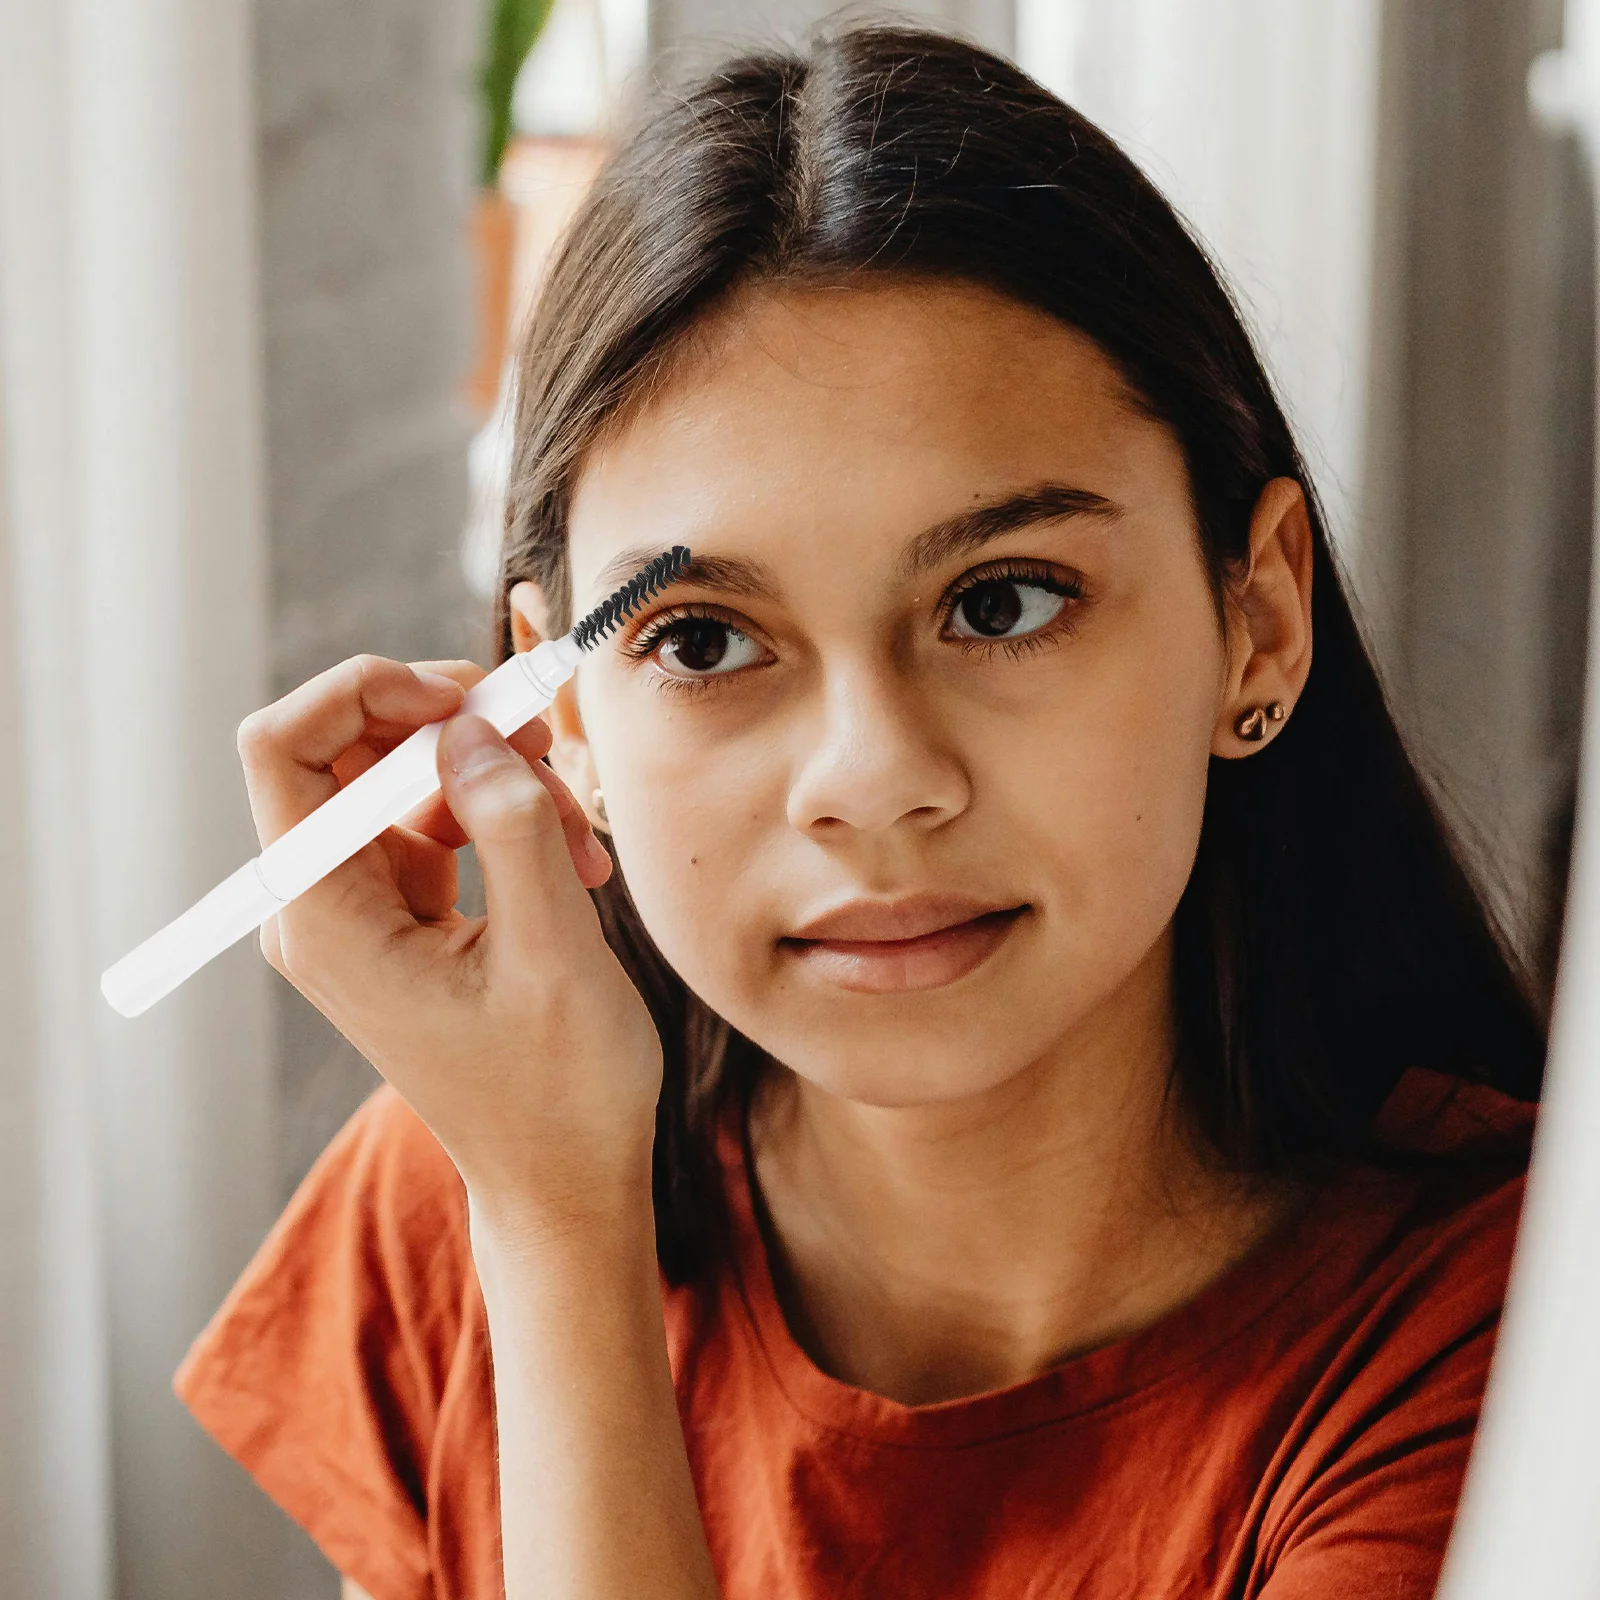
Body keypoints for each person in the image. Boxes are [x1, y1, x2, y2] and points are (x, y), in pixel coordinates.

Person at [176, 25, 1545, 1600]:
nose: (875, 775)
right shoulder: (473, 1182)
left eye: (1006, 600)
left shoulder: (1511, 1344)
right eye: (699, 641)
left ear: (1262, 622)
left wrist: (556, 1241)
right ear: (562, 717)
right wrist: (552, 1229)